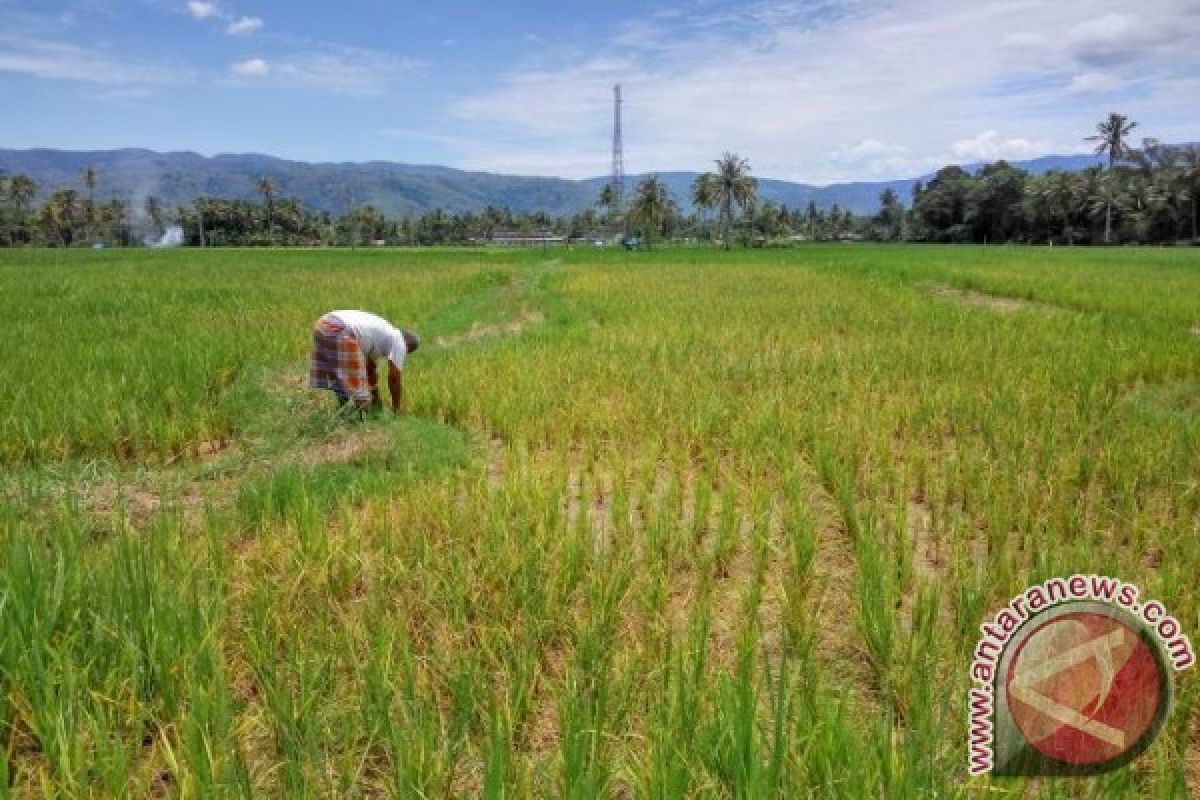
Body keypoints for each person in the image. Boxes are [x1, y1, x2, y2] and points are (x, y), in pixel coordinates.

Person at [309, 310, 419, 415]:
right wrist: (396, 409)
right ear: (407, 347)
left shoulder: (382, 335)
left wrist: (376, 398)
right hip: (341, 329)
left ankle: (344, 413)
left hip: (323, 324)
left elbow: (370, 370)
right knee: (360, 391)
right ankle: (363, 419)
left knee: (340, 377)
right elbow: (394, 379)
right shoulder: (399, 342)